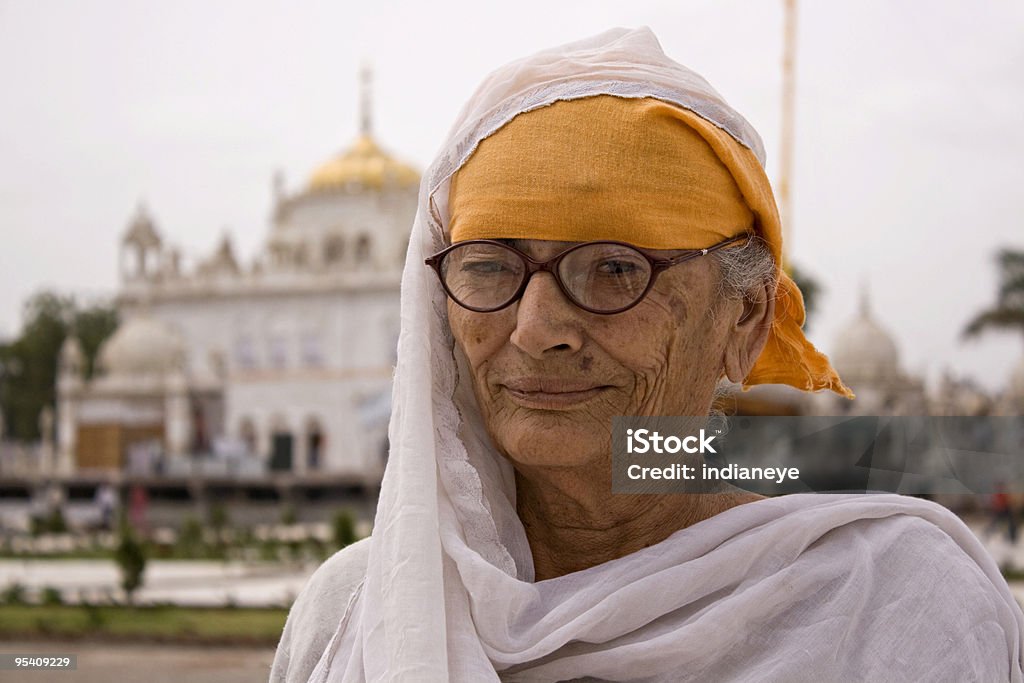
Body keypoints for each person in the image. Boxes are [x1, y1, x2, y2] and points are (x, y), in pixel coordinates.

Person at [272, 28, 1024, 682]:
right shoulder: (363, 608)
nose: (536, 329)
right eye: (491, 267)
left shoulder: (896, 607)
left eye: (614, 269)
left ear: (745, 316)